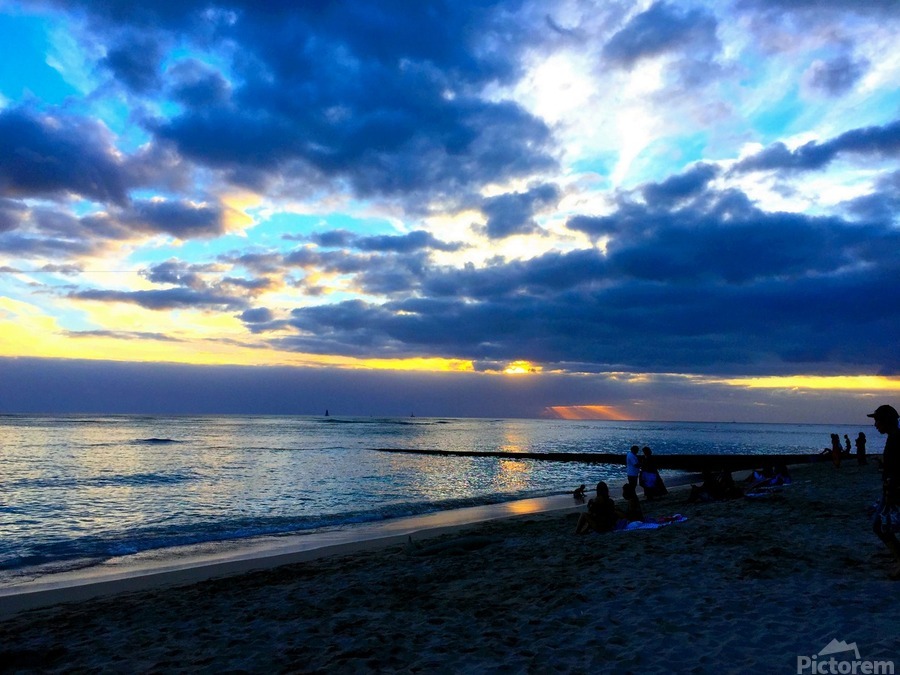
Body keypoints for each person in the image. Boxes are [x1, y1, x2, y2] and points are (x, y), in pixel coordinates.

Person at [867, 405, 900, 580]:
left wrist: (891, 489)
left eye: (877, 421)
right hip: (891, 488)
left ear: (886, 421)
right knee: (882, 524)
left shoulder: (896, 440)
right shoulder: (893, 438)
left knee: (879, 525)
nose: (875, 425)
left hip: (894, 490)